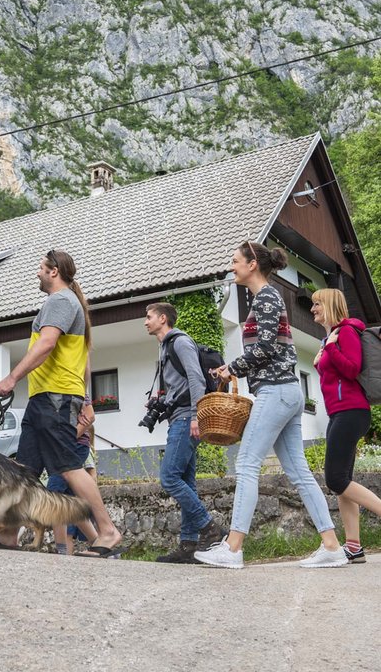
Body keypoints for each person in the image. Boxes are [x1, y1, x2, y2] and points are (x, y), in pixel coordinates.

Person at [194, 241, 347, 569]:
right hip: (287, 392)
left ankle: (233, 549)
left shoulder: (265, 296)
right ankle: (332, 546)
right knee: (299, 472)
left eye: (235, 261)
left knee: (247, 463)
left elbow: (265, 346)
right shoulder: (264, 297)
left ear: (252, 264)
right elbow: (271, 346)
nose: (231, 266)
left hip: (276, 391)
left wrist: (231, 368)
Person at [0, 249, 122, 557]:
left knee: (69, 467)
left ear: (54, 272)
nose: (37, 273)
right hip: (46, 399)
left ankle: (107, 531)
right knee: (24, 470)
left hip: (56, 399)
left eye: (41, 268)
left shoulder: (60, 301)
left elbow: (48, 344)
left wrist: (11, 378)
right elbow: (84, 363)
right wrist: (88, 400)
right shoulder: (64, 302)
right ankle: (8, 534)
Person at [144, 303, 225, 563]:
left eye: (149, 317)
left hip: (186, 420)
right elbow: (180, 386)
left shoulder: (180, 342)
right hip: (178, 417)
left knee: (169, 478)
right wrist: (161, 402)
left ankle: (210, 528)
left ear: (163, 318)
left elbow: (196, 380)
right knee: (186, 482)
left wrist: (195, 416)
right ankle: (189, 546)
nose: (145, 322)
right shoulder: (165, 347)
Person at [311, 287, 381, 563]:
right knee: (343, 482)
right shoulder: (329, 337)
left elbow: (352, 368)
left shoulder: (347, 331)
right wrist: (322, 356)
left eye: (317, 303)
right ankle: (353, 546)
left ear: (329, 304)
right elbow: (333, 375)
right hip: (339, 413)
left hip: (351, 412)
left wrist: (330, 349)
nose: (313, 308)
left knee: (335, 479)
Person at [47, 397, 99, 555]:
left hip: (72, 445)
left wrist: (69, 439)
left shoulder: (72, 383)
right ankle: (98, 543)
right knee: (69, 503)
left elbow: (89, 415)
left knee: (54, 495)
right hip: (60, 447)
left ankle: (62, 551)